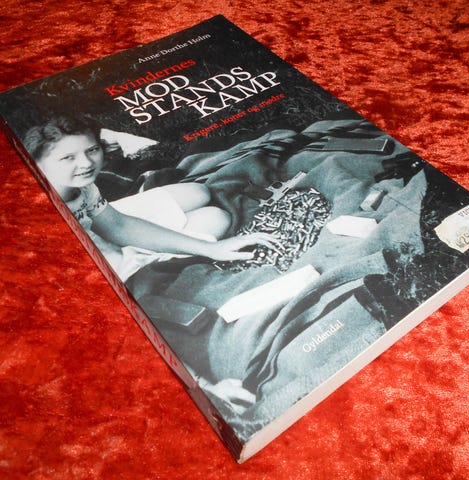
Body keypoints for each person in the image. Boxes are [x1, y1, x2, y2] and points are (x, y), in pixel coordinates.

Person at [23, 115, 280, 412]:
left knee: (201, 195)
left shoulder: (81, 186)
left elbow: (117, 226)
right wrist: (203, 385)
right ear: (34, 164)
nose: (86, 163)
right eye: (67, 157)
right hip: (99, 264)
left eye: (91, 150)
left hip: (101, 232)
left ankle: (145, 213)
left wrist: (214, 250)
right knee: (215, 219)